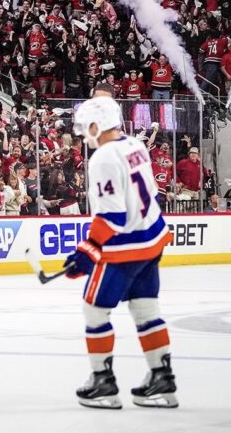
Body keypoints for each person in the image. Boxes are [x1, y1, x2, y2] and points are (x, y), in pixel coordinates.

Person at [67, 97, 177, 409]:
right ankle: (162, 378)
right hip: (152, 239)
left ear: (95, 125)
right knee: (146, 310)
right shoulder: (135, 145)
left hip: (124, 248)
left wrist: (87, 252)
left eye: (85, 129)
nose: (83, 135)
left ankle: (103, 383)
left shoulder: (102, 158)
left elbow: (111, 217)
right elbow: (152, 193)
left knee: (94, 310)